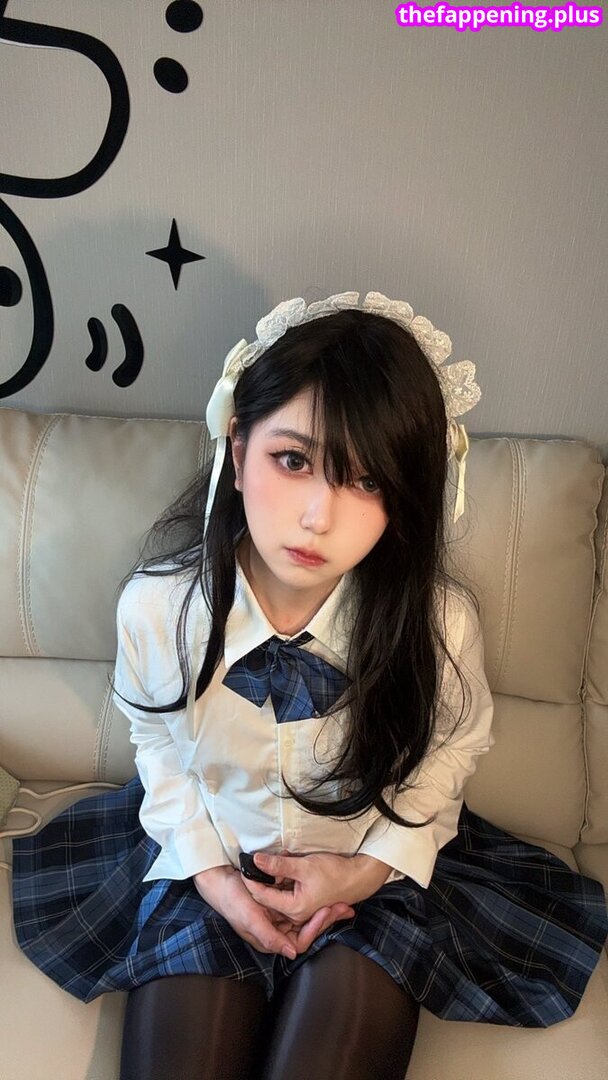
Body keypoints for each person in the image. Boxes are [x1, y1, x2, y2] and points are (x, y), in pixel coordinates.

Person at [10, 291, 608, 1080]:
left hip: (372, 872)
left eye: (367, 481)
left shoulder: (437, 624)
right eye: (292, 461)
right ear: (237, 444)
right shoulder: (159, 608)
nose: (319, 516)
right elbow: (155, 740)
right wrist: (214, 878)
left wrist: (367, 867)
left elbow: (452, 749)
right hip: (210, 856)